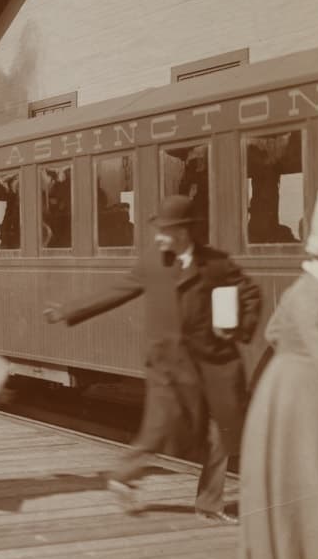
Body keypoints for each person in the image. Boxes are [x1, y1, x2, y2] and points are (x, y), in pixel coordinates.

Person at [45, 195, 261, 523]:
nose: (158, 237)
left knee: (222, 434)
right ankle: (122, 476)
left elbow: (249, 293)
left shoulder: (216, 263)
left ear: (184, 232)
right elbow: (116, 291)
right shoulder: (153, 263)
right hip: (168, 365)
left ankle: (209, 503)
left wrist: (240, 328)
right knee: (159, 429)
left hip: (215, 364)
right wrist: (67, 310)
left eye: (164, 231)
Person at [239, 189, 318, 559]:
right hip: (303, 406)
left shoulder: (307, 289)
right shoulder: (315, 296)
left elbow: (274, 330)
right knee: (306, 499)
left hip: (290, 403)